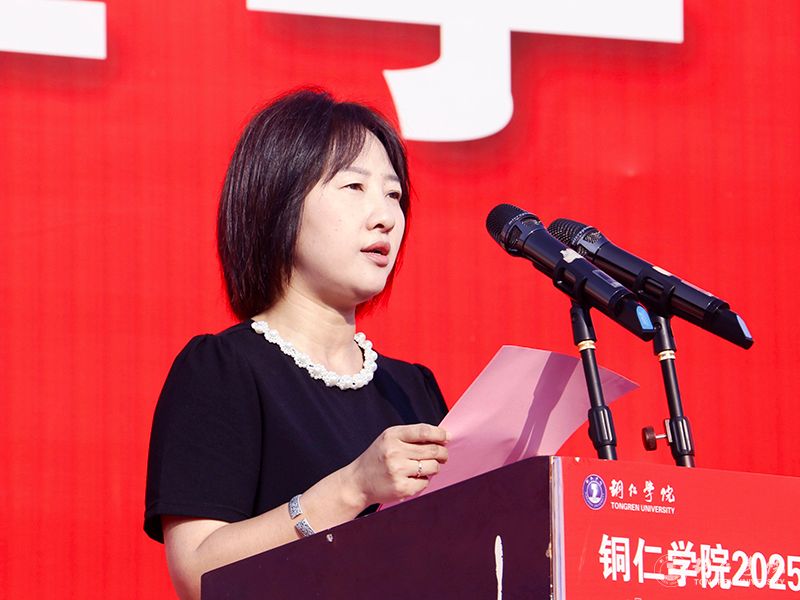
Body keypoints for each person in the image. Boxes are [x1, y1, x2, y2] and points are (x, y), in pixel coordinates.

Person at [144, 89, 450, 600]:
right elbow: (197, 573)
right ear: (278, 203)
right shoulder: (223, 370)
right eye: (354, 186)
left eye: (394, 195)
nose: (385, 216)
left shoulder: (412, 389)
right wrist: (353, 488)